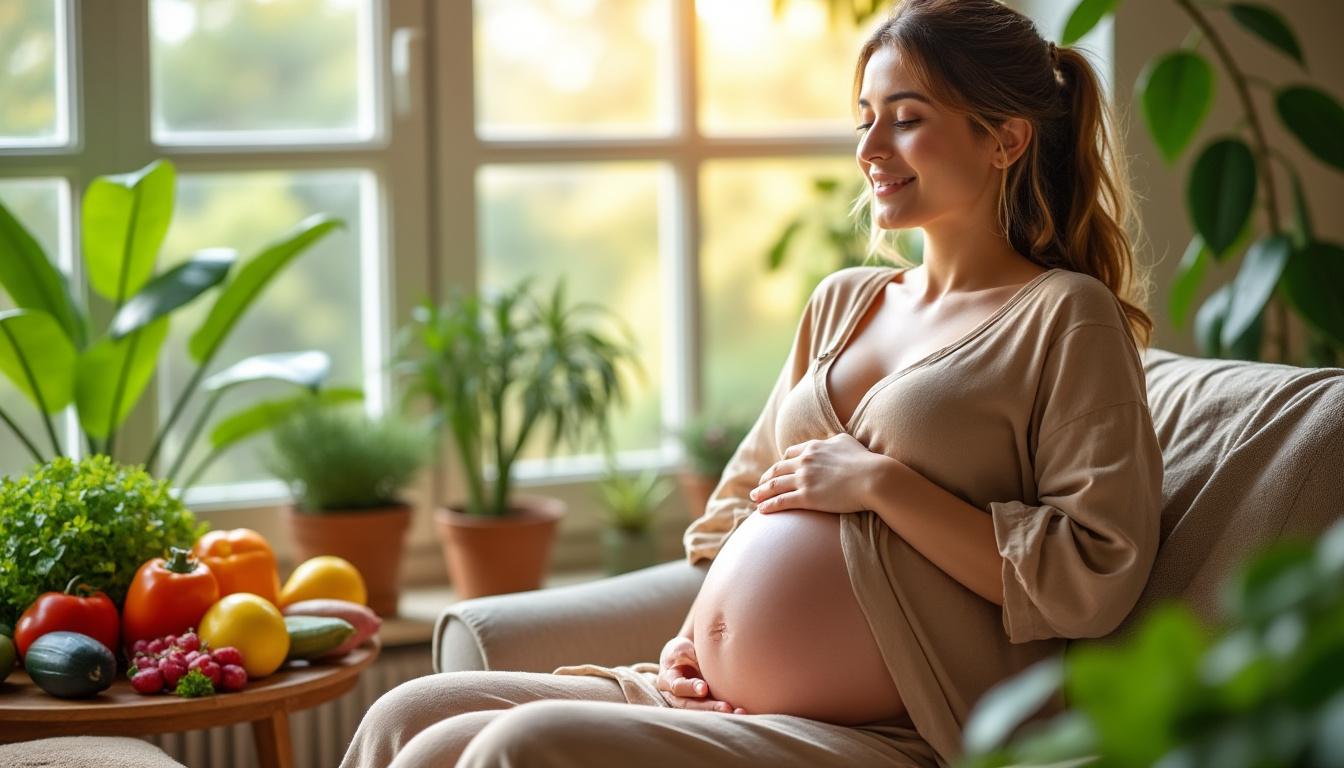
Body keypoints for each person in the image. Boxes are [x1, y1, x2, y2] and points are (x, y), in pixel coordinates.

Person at [340, 0, 1163, 765]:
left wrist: (881, 484)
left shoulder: (1065, 315)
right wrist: (693, 641)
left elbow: (1094, 573)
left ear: (1006, 139)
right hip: (710, 696)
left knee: (525, 745)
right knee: (403, 715)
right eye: (865, 120)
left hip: (896, 727)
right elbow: (737, 509)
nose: (870, 150)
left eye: (907, 121)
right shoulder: (844, 300)